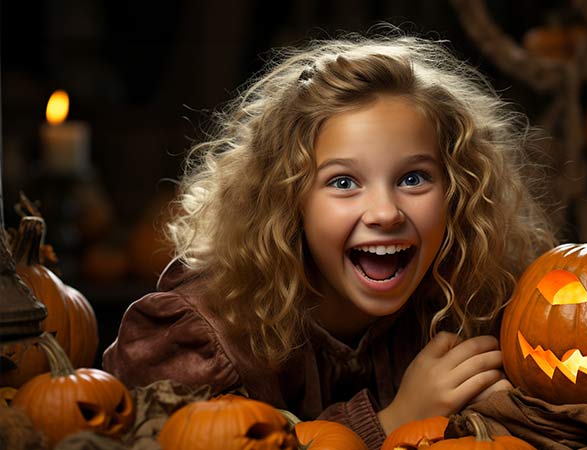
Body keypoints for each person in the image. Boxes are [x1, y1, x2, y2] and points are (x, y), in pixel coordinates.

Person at [103, 30, 557, 449]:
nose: (385, 213)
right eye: (343, 183)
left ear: (457, 193)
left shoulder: (465, 299)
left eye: (414, 178)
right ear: (287, 198)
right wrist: (394, 418)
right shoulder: (199, 338)